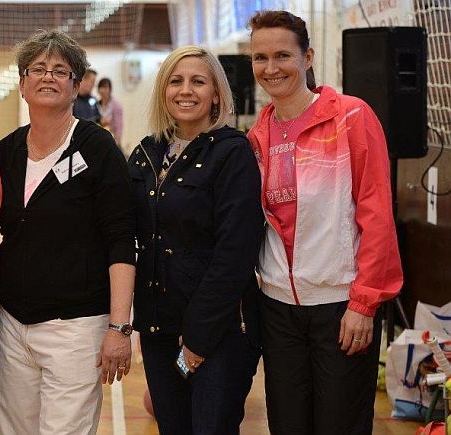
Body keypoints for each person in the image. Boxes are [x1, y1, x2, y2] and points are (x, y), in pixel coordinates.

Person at [247, 10, 403, 435]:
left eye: (283, 55)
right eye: (260, 58)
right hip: (278, 308)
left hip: (341, 305)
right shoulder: (257, 136)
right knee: (288, 425)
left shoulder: (351, 117)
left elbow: (377, 214)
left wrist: (364, 303)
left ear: (308, 57)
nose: (271, 68)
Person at [0, 30, 135, 435]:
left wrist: (119, 327)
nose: (48, 77)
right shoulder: (6, 151)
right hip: (13, 324)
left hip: (76, 328)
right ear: (22, 84)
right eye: (38, 69)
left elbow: (121, 240)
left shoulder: (97, 147)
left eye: (60, 70)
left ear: (76, 86)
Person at [128, 45, 263, 434]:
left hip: (218, 334)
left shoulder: (232, 152)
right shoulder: (146, 152)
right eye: (176, 81)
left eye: (198, 82)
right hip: (159, 331)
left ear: (216, 93)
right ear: (163, 91)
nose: (185, 90)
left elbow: (234, 256)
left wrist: (198, 341)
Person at [96, 77, 124, 147]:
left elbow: (119, 126)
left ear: (110, 89)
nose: (103, 90)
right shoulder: (96, 105)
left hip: (112, 140)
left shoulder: (116, 106)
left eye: (105, 87)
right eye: (101, 87)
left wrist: (117, 142)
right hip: (99, 140)